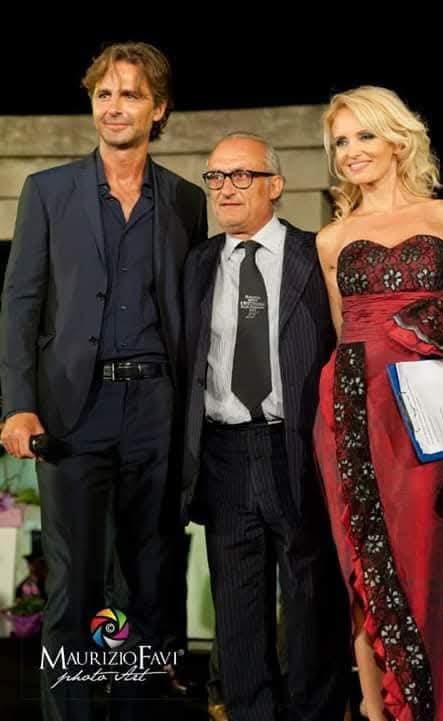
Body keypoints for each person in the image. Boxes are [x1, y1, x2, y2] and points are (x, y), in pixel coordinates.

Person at [0, 41, 207, 721]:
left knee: (148, 584)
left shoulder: (184, 201)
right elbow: (20, 305)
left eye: (131, 94)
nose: (115, 107)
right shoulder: (48, 192)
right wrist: (18, 405)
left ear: (159, 109)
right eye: (104, 94)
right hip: (72, 413)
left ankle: (136, 710)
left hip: (156, 409)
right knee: (74, 584)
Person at [314, 85, 443, 721]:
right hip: (354, 409)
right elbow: (342, 333)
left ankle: (440, 702)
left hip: (433, 417)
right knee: (361, 555)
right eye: (340, 142)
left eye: (364, 135)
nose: (350, 151)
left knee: (435, 556)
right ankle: (374, 708)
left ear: (397, 139)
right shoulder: (332, 238)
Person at [182, 132, 351, 721]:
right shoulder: (198, 264)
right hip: (224, 453)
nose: (226, 189)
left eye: (241, 175)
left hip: (297, 449)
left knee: (311, 602)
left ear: (275, 185)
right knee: (237, 609)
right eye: (215, 177)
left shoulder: (315, 254)